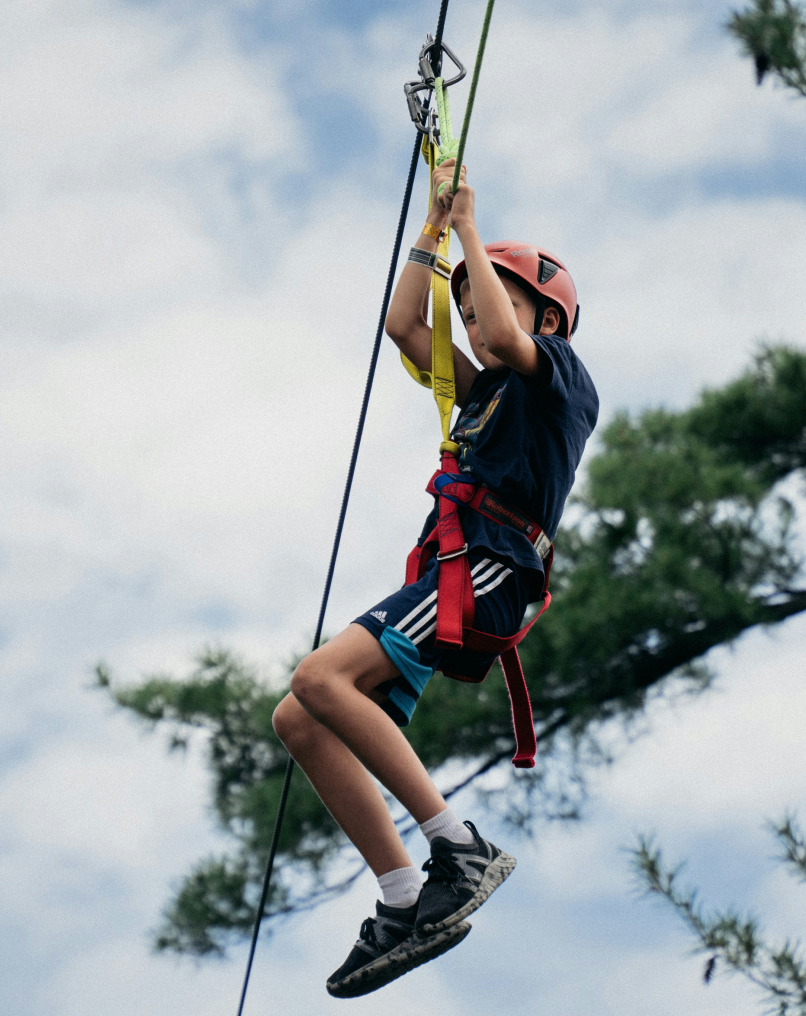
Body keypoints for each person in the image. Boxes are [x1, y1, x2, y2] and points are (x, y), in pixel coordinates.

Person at [271, 157, 599, 998]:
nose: (477, 310)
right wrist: (431, 233)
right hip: (457, 569)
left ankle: (461, 846)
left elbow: (499, 331)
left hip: (492, 568)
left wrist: (471, 234)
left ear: (547, 320)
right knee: (299, 716)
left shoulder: (559, 381)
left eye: (498, 296)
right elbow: (404, 326)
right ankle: (404, 892)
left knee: (320, 676)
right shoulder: (482, 392)